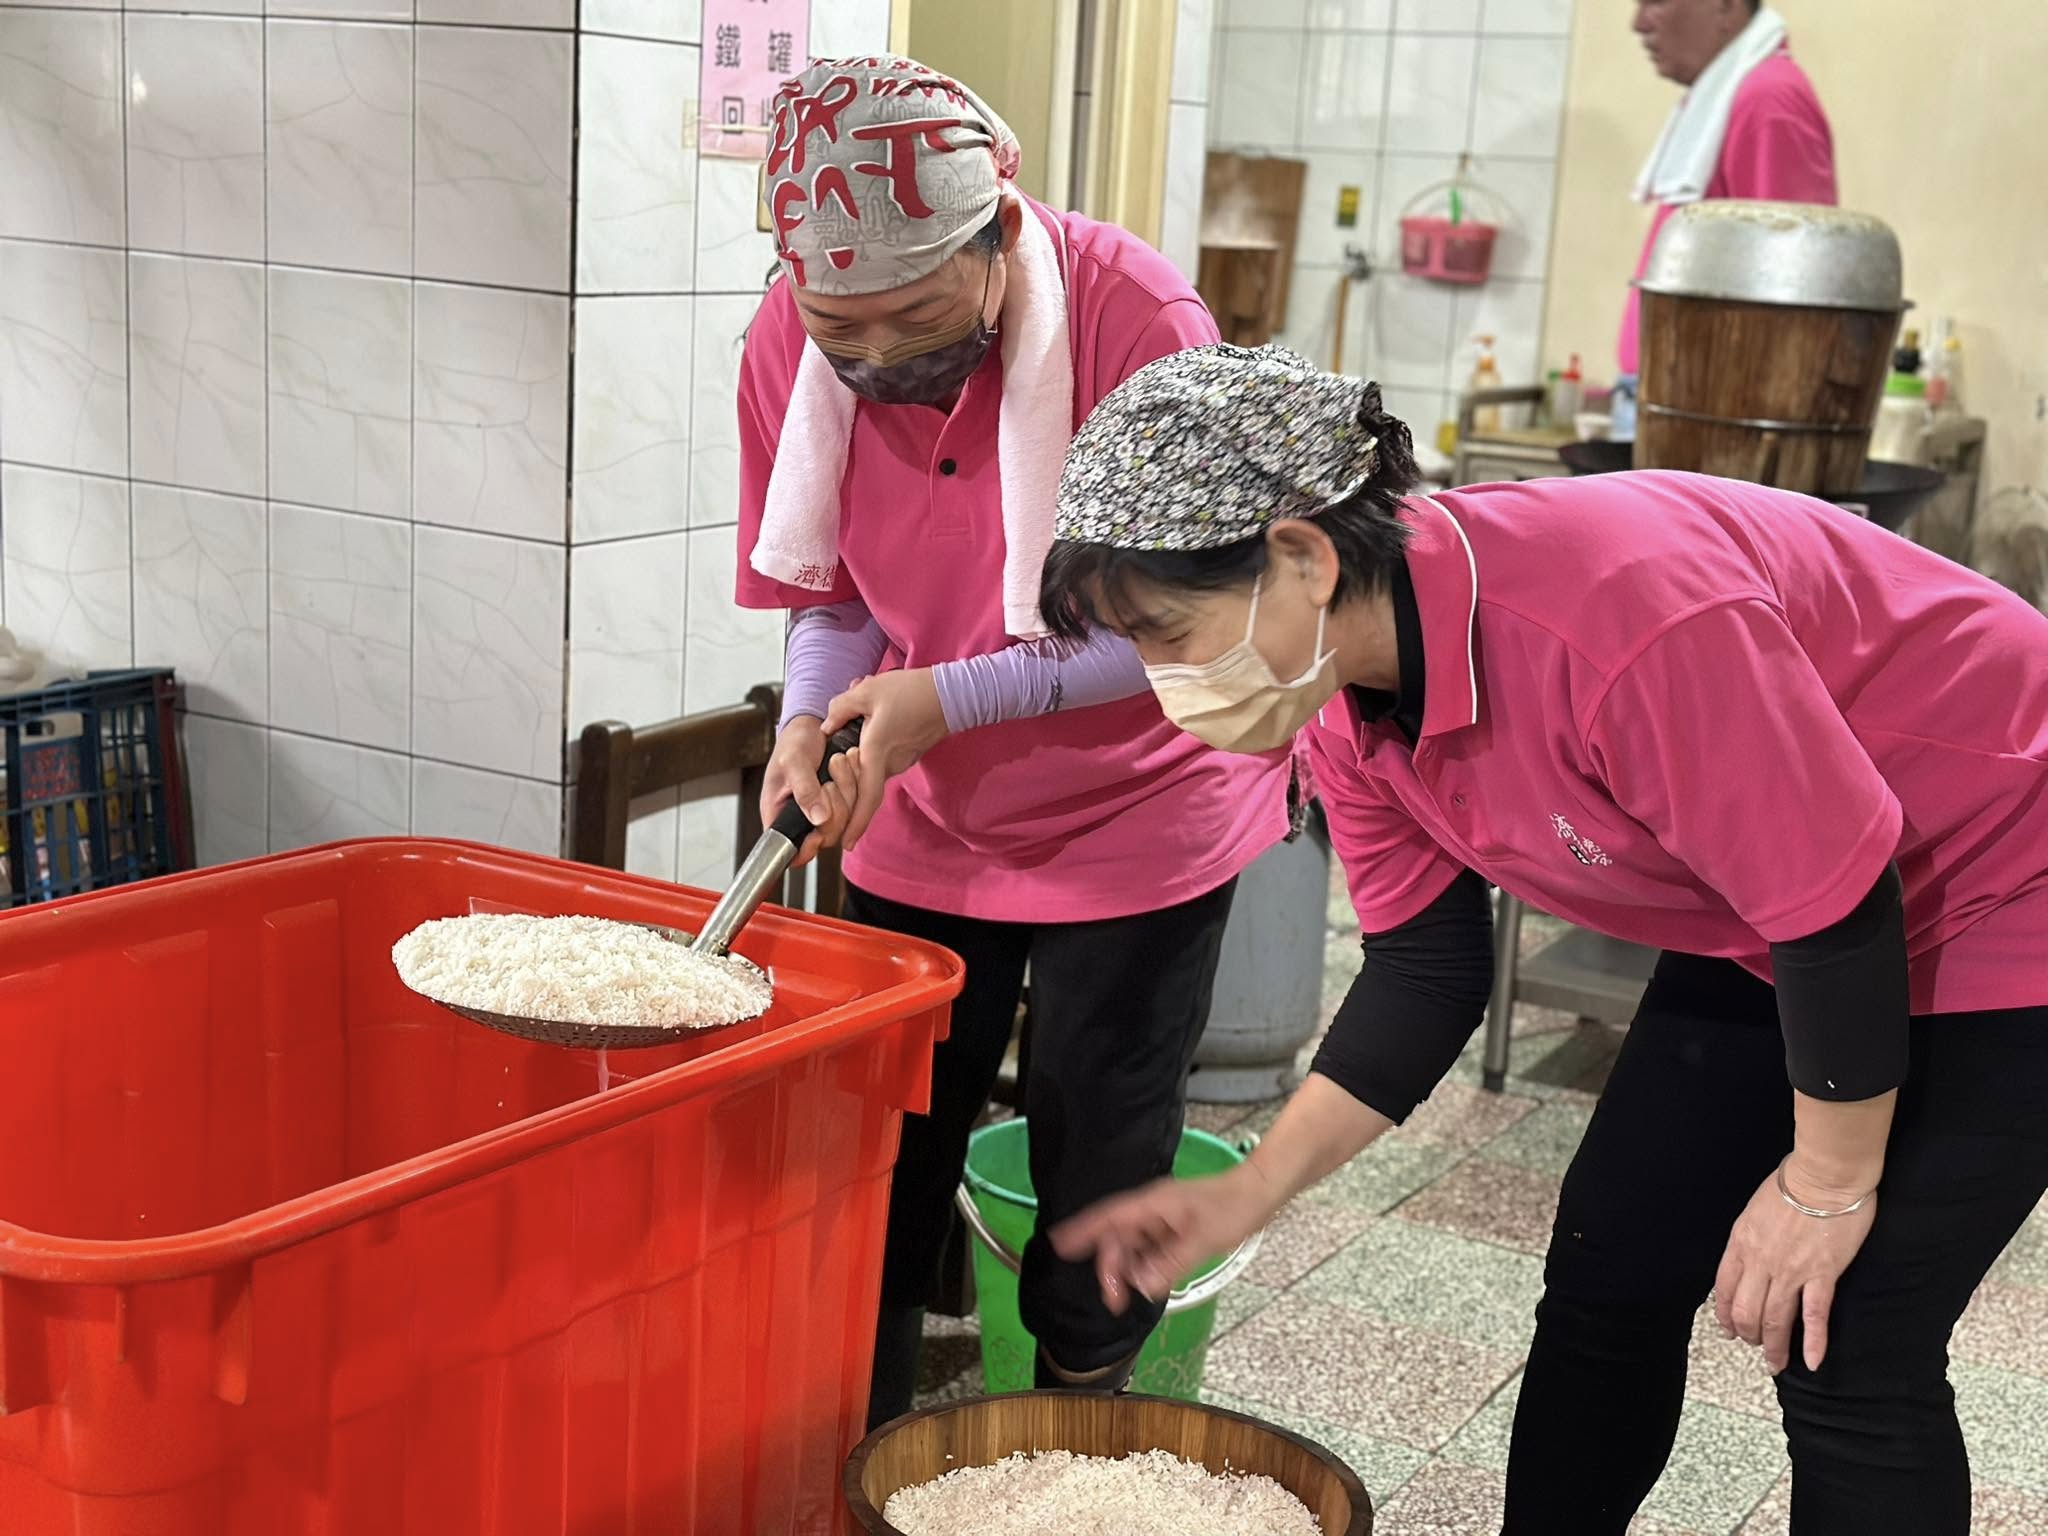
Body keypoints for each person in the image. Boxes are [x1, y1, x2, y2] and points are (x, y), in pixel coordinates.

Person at [1037, 343, 2048, 1535]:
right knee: (1608, 1274)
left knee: (1842, 1334)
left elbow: (1833, 904)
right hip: (1780, 915)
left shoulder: (1619, 615)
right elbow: (1426, 967)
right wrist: (1248, 1191)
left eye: (1166, 633)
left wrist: (1823, 1186)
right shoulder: (1344, 695)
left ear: (1300, 558)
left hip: (2001, 878)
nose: (1165, 679)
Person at [736, 59, 1289, 1428]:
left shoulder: (1138, 319)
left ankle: (1074, 1450)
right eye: (838, 328)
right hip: (925, 818)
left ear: (999, 237)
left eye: (915, 316)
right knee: (885, 1146)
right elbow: (837, 589)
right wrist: (815, 717)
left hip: (1140, 811)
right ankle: (850, 1453)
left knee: (1099, 1147)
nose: (872, 360)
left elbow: (1194, 620)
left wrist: (941, 703)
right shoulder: (785, 343)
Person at [1615, 1, 1835, 433]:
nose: (1639, 24)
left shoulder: (1769, 100)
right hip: (1673, 403)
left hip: (1708, 422)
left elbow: (1796, 298)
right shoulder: (1725, 96)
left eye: (1656, 1)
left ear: (1727, 7)